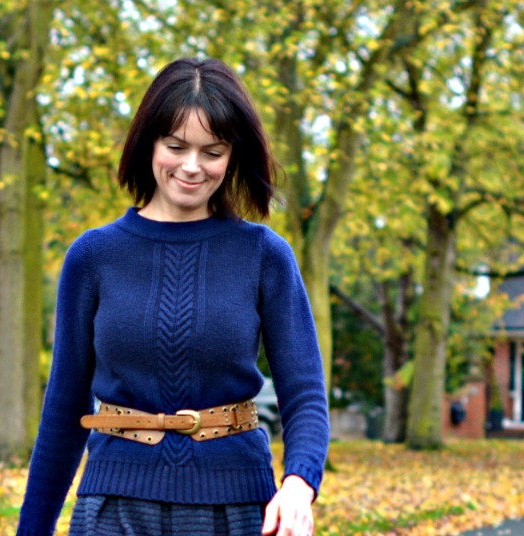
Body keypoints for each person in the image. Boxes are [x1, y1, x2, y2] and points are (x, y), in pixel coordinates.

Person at [17, 58, 329, 536]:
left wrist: (299, 483)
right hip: (113, 509)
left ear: (232, 155)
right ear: (149, 145)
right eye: (176, 146)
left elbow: (305, 394)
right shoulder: (93, 256)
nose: (191, 166)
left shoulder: (265, 255)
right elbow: (63, 410)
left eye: (212, 151)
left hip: (239, 509)